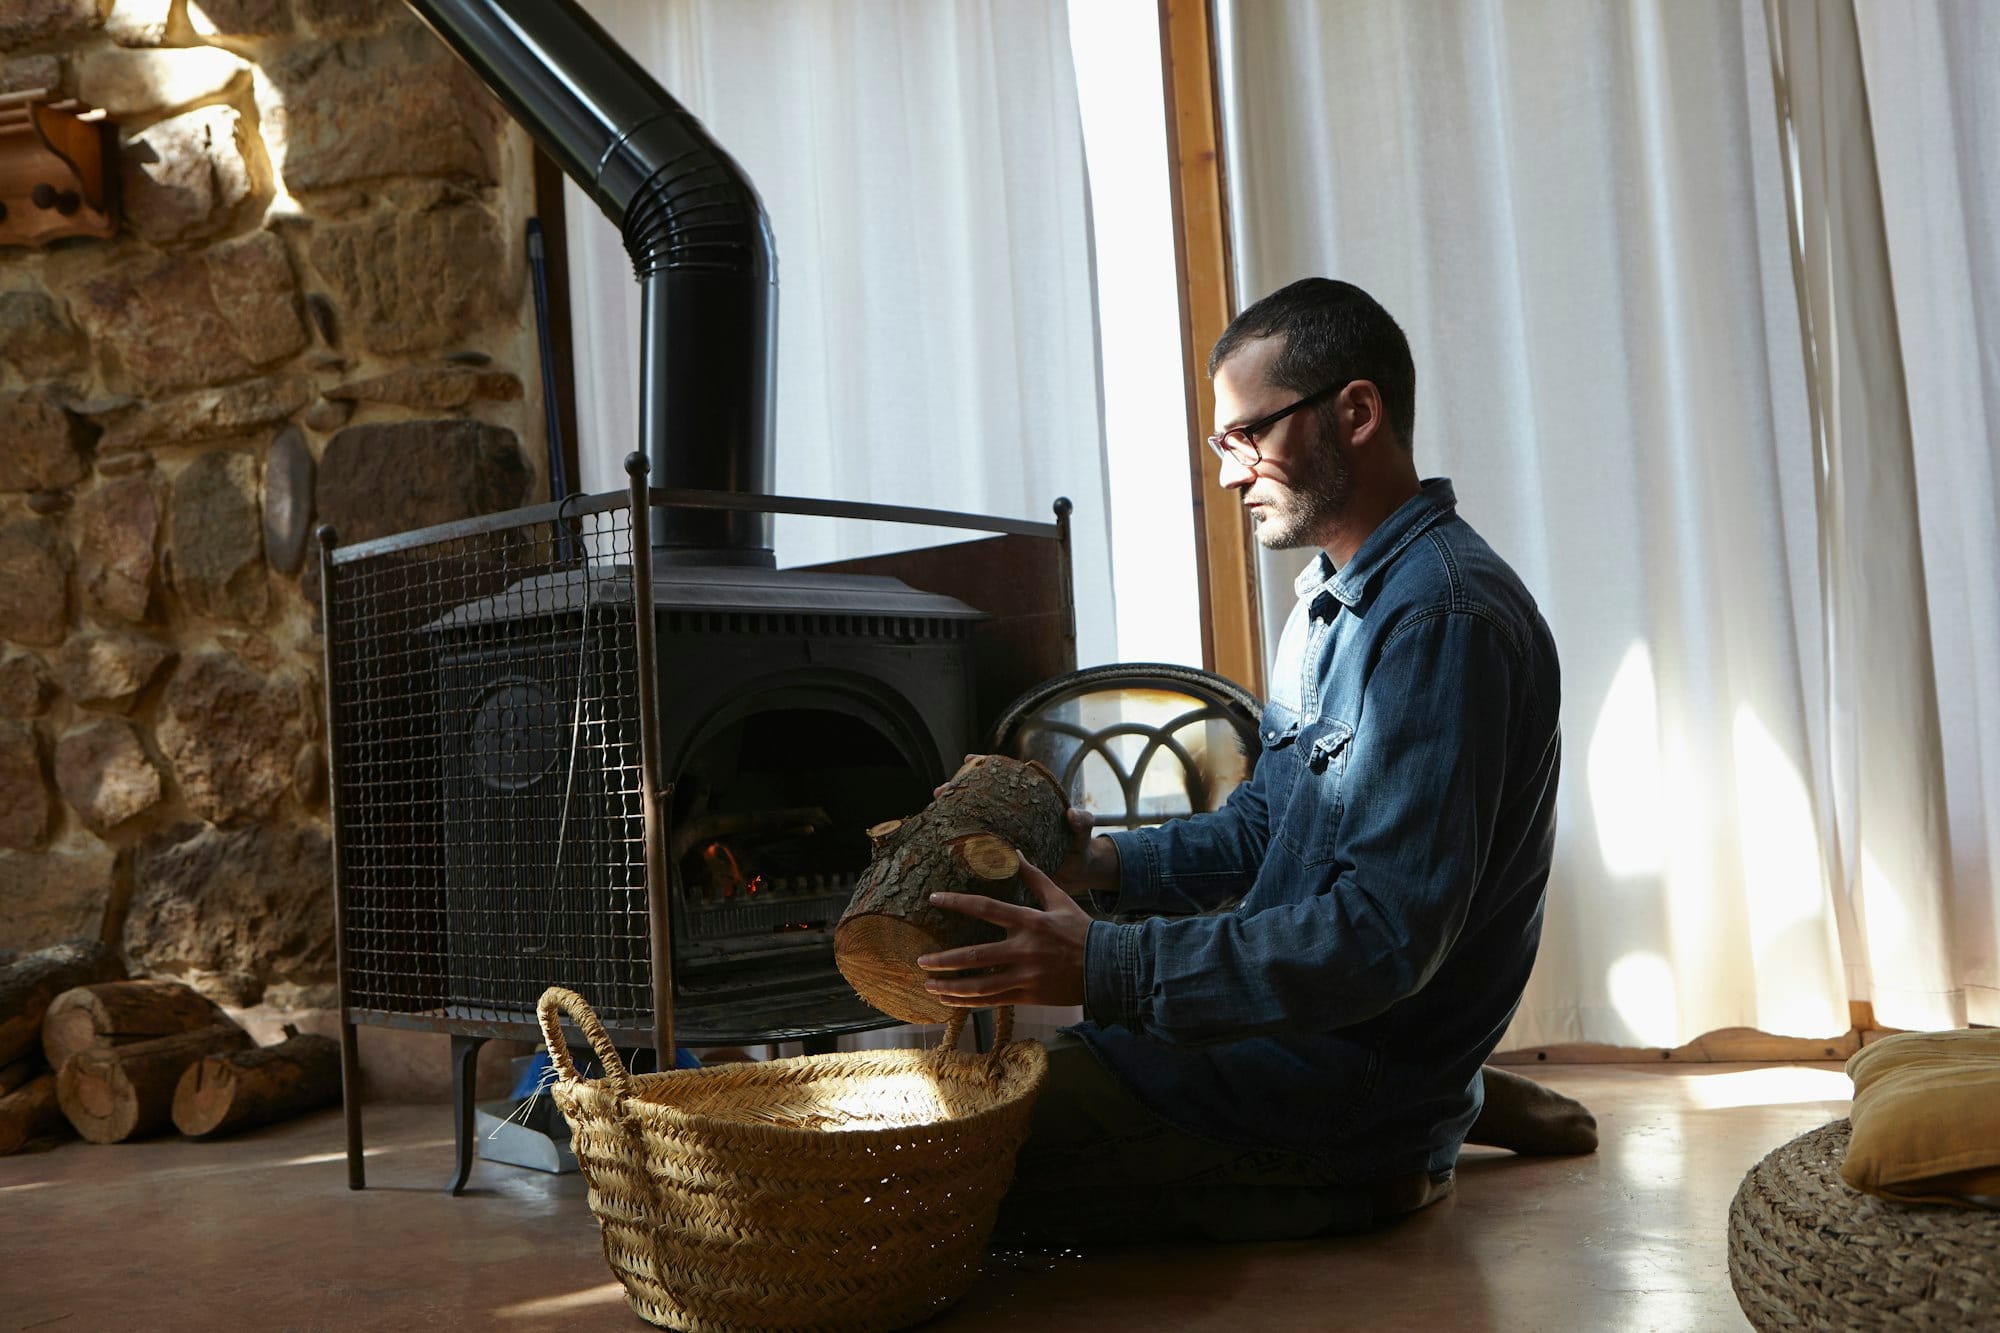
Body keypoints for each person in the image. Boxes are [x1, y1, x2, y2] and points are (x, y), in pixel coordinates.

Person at [918, 278, 1594, 1245]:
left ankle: (1432, 1116)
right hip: (1285, 1049)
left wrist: (1103, 962)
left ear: (1355, 412)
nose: (1231, 472)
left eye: (1250, 435)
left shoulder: (1442, 617)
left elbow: (1385, 935)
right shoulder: (1330, 601)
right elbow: (1269, 826)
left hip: (1326, 1103)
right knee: (1006, 1100)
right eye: (1220, 444)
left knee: (924, 1156)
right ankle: (1459, 1096)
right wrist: (1100, 867)